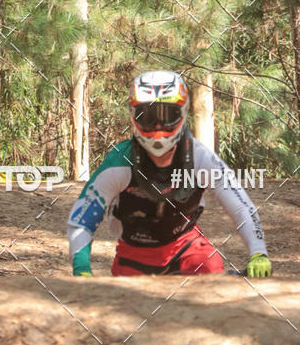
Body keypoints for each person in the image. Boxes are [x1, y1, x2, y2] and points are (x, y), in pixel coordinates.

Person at [67, 70, 272, 278]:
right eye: (148, 116)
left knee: (210, 267)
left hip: (187, 246)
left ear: (182, 115)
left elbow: (239, 205)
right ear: (133, 117)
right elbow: (83, 218)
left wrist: (258, 252)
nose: (158, 126)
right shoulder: (119, 163)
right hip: (135, 254)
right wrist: (81, 268)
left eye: (167, 116)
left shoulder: (200, 158)